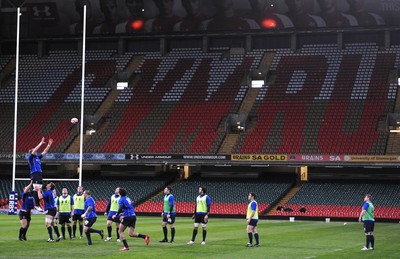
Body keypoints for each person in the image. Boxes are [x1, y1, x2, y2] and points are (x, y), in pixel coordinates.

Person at [28, 136, 53, 211]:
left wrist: (49, 145)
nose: (36, 151)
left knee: (39, 189)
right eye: (34, 150)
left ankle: (38, 204)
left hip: (39, 174)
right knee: (36, 188)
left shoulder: (37, 157)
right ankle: (37, 205)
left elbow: (44, 152)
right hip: (34, 173)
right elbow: (34, 150)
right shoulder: (31, 158)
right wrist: (41, 143)